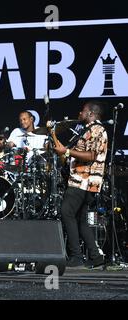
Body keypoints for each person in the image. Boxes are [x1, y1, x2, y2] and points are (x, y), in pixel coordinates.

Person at [53, 101, 107, 268]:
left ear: (91, 113)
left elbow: (91, 155)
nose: (80, 112)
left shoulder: (97, 130)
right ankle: (96, 257)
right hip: (81, 179)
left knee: (66, 211)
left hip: (84, 180)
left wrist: (67, 151)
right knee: (80, 219)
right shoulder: (86, 129)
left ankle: (76, 257)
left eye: (83, 110)